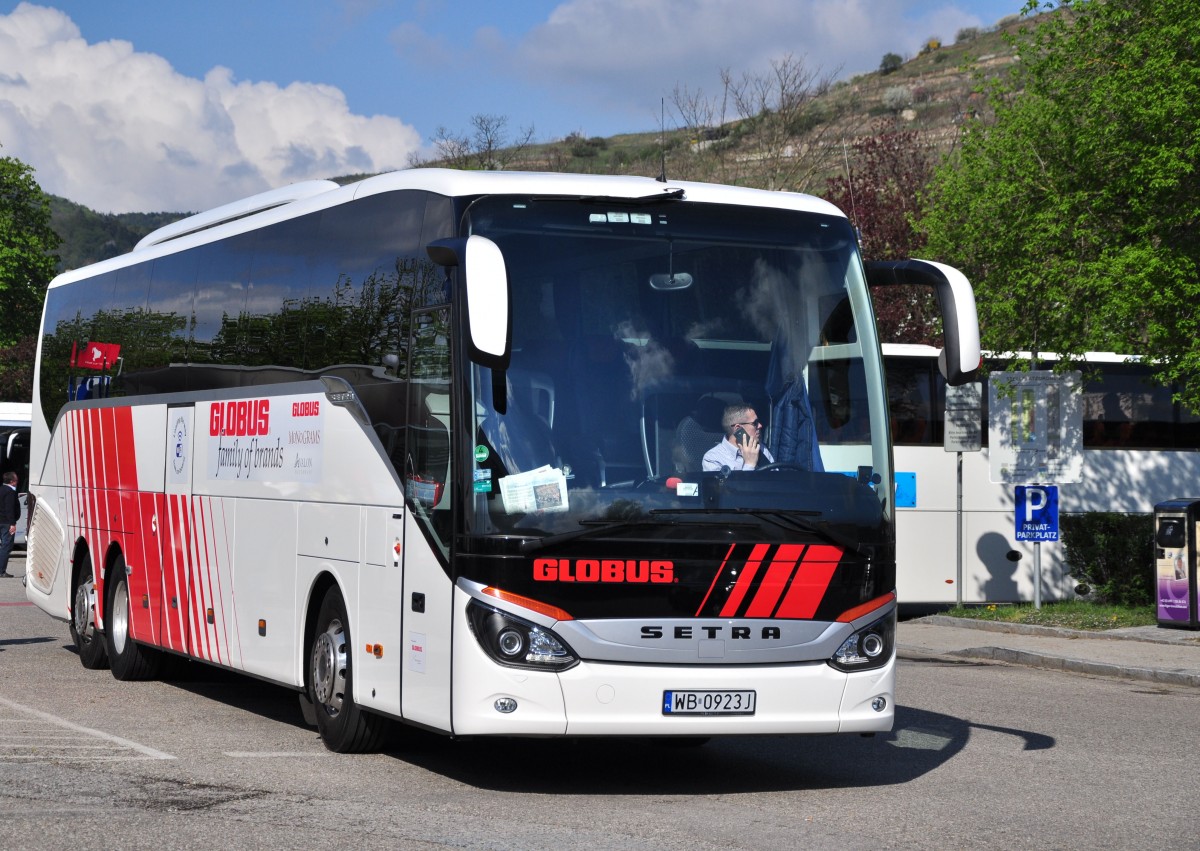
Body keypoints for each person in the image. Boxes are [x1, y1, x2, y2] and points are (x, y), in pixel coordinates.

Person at [702, 405, 774, 472]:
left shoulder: (760, 448)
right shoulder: (712, 458)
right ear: (738, 429)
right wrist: (749, 465)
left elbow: (777, 478)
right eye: (755, 423)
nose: (760, 425)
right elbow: (724, 486)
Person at [0, 471, 19, 578]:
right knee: (6, 547)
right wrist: (12, 523)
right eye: (16, 480)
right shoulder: (10, 492)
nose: (17, 482)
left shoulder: (1, 489)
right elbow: (9, 508)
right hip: (6, 523)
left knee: (3, 546)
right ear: (12, 481)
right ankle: (1, 571)